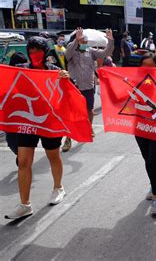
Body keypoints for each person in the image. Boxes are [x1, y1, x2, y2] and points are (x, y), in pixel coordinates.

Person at [5, 37, 70, 219]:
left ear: (46, 52)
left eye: (38, 51)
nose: (34, 55)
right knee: (24, 161)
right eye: (31, 51)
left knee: (53, 156)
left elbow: (67, 94)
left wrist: (66, 78)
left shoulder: (55, 71)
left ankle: (58, 187)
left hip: (49, 121)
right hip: (28, 122)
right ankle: (25, 204)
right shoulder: (22, 70)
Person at [65, 27, 114, 143]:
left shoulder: (90, 51)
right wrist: (76, 41)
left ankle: (89, 127)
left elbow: (105, 53)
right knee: (73, 112)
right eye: (82, 41)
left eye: (86, 41)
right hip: (74, 87)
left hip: (88, 86)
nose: (85, 43)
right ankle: (68, 137)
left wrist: (110, 41)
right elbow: (67, 54)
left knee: (89, 109)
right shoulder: (71, 51)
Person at [134, 53, 156, 216]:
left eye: (150, 65)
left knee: (154, 161)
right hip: (140, 128)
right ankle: (154, 185)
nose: (147, 68)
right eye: (143, 65)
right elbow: (118, 96)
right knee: (148, 160)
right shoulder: (134, 83)